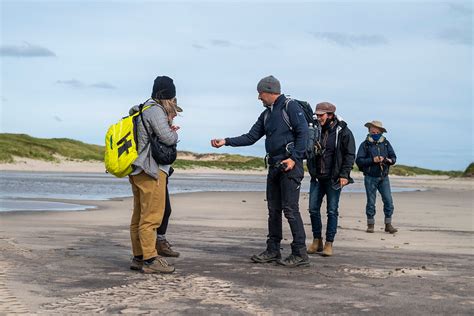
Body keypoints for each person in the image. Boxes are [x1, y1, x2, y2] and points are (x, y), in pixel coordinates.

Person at [211, 75, 310, 267]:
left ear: (271, 91)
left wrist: (294, 159)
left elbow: (303, 133)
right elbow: (251, 137)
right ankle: (273, 250)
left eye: (260, 93)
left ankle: (300, 253)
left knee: (290, 210)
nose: (259, 98)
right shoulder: (266, 114)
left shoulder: (290, 107)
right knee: (273, 211)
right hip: (273, 167)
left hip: (290, 167)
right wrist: (226, 141)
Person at [128, 75, 182, 274]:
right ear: (168, 96)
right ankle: (150, 259)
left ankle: (138, 257)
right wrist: (174, 132)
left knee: (139, 216)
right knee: (151, 217)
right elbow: (167, 138)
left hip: (136, 169)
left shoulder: (140, 109)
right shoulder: (155, 110)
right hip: (151, 169)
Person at [306, 102, 355, 257]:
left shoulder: (344, 132)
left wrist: (344, 175)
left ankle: (329, 244)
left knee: (332, 211)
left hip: (334, 179)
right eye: (317, 115)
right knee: (313, 209)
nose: (318, 117)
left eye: (321, 115)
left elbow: (349, 155)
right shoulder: (314, 129)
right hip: (316, 178)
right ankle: (317, 240)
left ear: (330, 115)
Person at [355, 120, 398, 234]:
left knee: (388, 201)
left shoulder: (386, 143)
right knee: (371, 202)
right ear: (369, 131)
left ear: (380, 132)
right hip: (370, 177)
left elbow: (393, 157)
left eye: (376, 131)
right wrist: (372, 160)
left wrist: (389, 160)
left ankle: (388, 225)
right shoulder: (364, 144)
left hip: (384, 177)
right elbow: (359, 161)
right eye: (372, 131)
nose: (374, 133)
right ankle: (370, 225)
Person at [155, 170, 180, 257]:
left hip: (159, 173)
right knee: (155, 212)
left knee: (165, 210)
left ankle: (160, 242)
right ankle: (147, 253)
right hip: (153, 172)